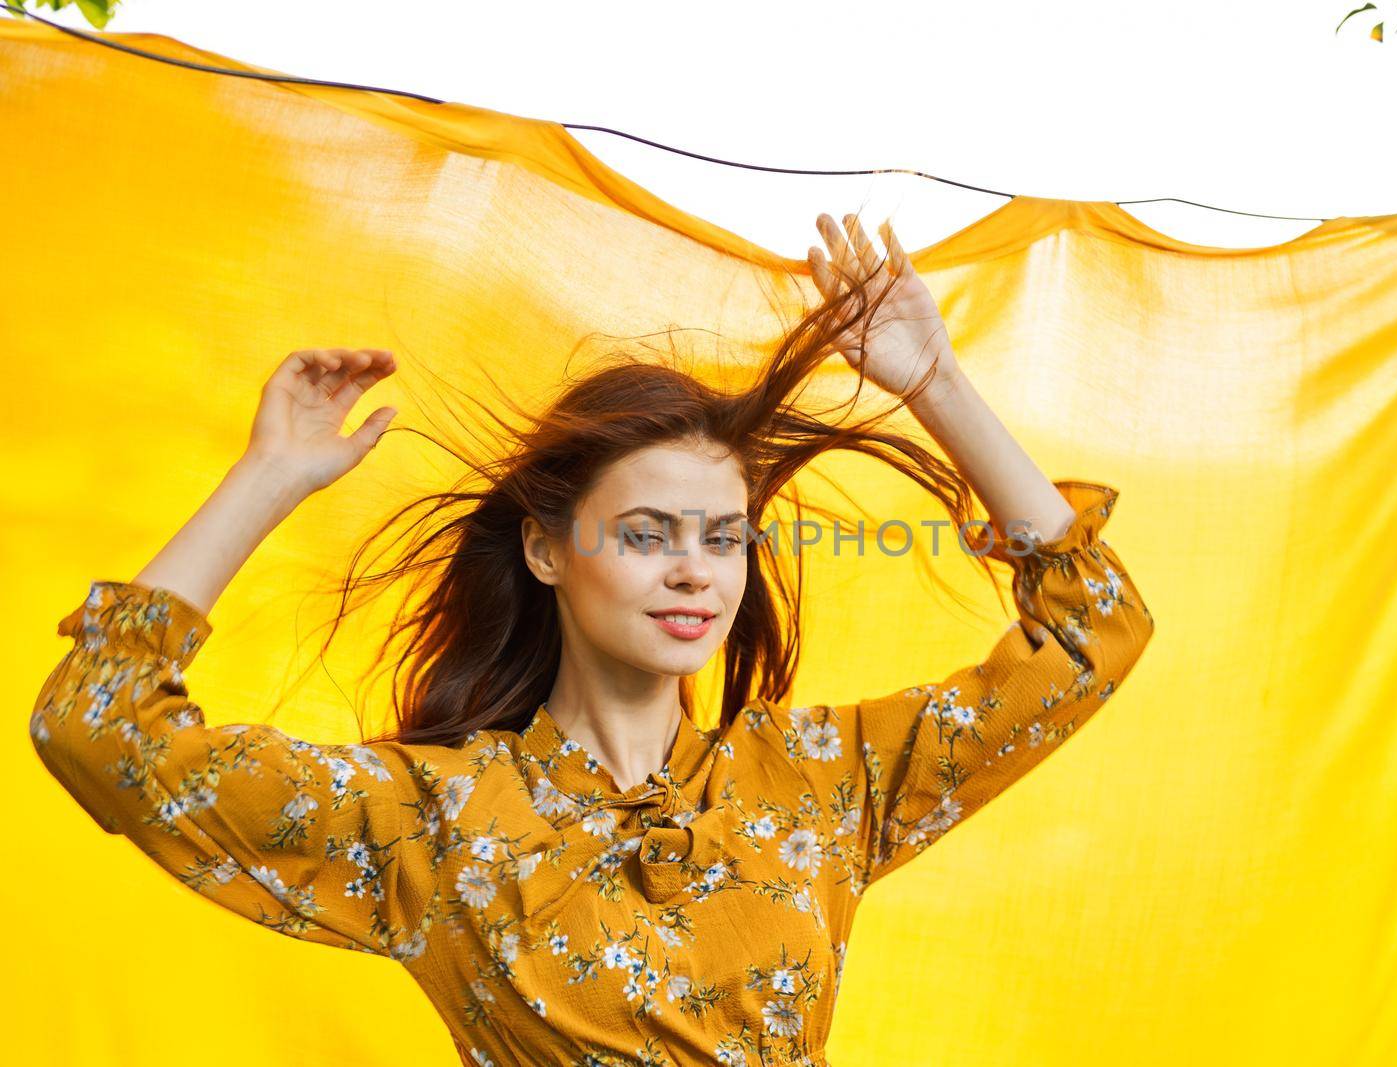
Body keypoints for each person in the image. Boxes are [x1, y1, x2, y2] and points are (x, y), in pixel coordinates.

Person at [29, 211, 1155, 1066]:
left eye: (721, 538)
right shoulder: (431, 818)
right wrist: (266, 477)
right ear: (546, 551)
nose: (692, 568)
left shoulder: (818, 783)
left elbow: (1092, 630)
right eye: (648, 531)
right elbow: (95, 726)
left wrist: (935, 384)